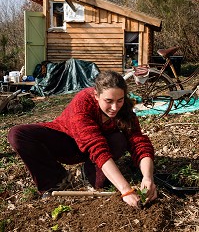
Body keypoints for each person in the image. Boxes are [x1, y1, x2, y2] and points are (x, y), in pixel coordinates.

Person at [8, 70, 157, 207]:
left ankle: (88, 173)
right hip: (68, 141)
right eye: (109, 101)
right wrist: (126, 190)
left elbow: (138, 142)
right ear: (96, 95)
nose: (114, 107)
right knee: (18, 134)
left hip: (97, 150)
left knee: (119, 141)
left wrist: (148, 178)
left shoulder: (124, 108)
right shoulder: (84, 102)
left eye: (120, 100)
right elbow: (95, 146)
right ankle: (56, 180)